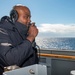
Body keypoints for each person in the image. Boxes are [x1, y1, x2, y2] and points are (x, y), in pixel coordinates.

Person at [0, 4, 38, 74]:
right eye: (26, 17)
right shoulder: (2, 31)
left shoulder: (25, 33)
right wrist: (31, 37)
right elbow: (9, 61)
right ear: (14, 16)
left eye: (30, 17)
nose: (29, 20)